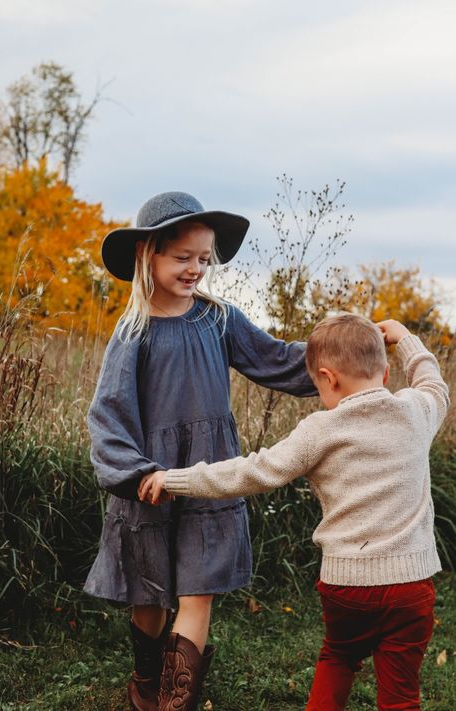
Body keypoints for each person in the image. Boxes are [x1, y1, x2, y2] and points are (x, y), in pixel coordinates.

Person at [140, 313, 449, 711]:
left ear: (329, 377)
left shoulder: (320, 429)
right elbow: (432, 382)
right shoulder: (415, 411)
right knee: (401, 693)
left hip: (347, 588)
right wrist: (405, 336)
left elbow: (249, 472)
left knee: (338, 658)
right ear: (386, 372)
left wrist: (175, 479)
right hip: (411, 586)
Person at [84, 191, 317, 711]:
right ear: (150, 255)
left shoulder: (219, 319)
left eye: (204, 259)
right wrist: (135, 472)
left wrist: (341, 357)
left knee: (198, 589)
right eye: (182, 257)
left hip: (212, 474)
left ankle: (175, 701)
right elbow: (108, 414)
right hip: (151, 480)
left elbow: (276, 359)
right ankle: (146, 677)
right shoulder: (133, 331)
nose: (195, 269)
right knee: (150, 598)